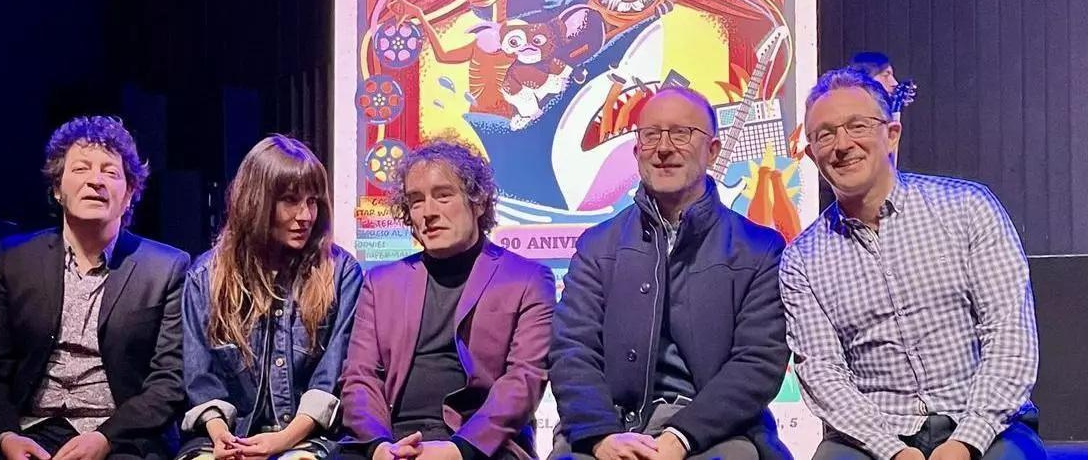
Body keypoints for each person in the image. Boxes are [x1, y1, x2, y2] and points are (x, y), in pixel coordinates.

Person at [781, 68, 1043, 460]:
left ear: (892, 134)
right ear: (811, 152)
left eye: (857, 126)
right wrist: (892, 451)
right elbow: (823, 375)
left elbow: (1009, 337)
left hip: (984, 424)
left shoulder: (968, 208)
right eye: (824, 134)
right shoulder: (801, 259)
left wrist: (966, 440)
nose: (842, 144)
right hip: (875, 437)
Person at [550, 87, 791, 460]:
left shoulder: (759, 249)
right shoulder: (597, 246)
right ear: (636, 151)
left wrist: (680, 436)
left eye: (681, 133)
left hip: (714, 431)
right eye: (651, 135)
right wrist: (601, 436)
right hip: (612, 427)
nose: (664, 148)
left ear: (713, 150)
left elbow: (758, 362)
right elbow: (572, 350)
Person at [0, 116, 190, 460]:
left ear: (129, 194)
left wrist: (105, 439)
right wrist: (4, 436)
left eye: (110, 173)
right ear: (58, 189)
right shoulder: (16, 258)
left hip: (121, 438)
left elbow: (168, 382)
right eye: (81, 169)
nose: (95, 181)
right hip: (28, 431)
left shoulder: (165, 267)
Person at [338, 139, 555, 460]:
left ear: (478, 201)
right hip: (390, 440)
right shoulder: (381, 283)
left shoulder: (527, 279)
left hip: (480, 444)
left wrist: (458, 449)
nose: (428, 212)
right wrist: (378, 446)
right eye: (416, 201)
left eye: (443, 195)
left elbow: (524, 380)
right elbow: (360, 377)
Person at [178, 135, 362, 460]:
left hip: (310, 438)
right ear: (256, 201)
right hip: (224, 437)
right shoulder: (206, 275)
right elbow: (201, 378)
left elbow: (331, 378)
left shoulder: (340, 272)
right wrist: (222, 437)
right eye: (290, 200)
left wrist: (282, 441)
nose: (306, 215)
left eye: (313, 201)